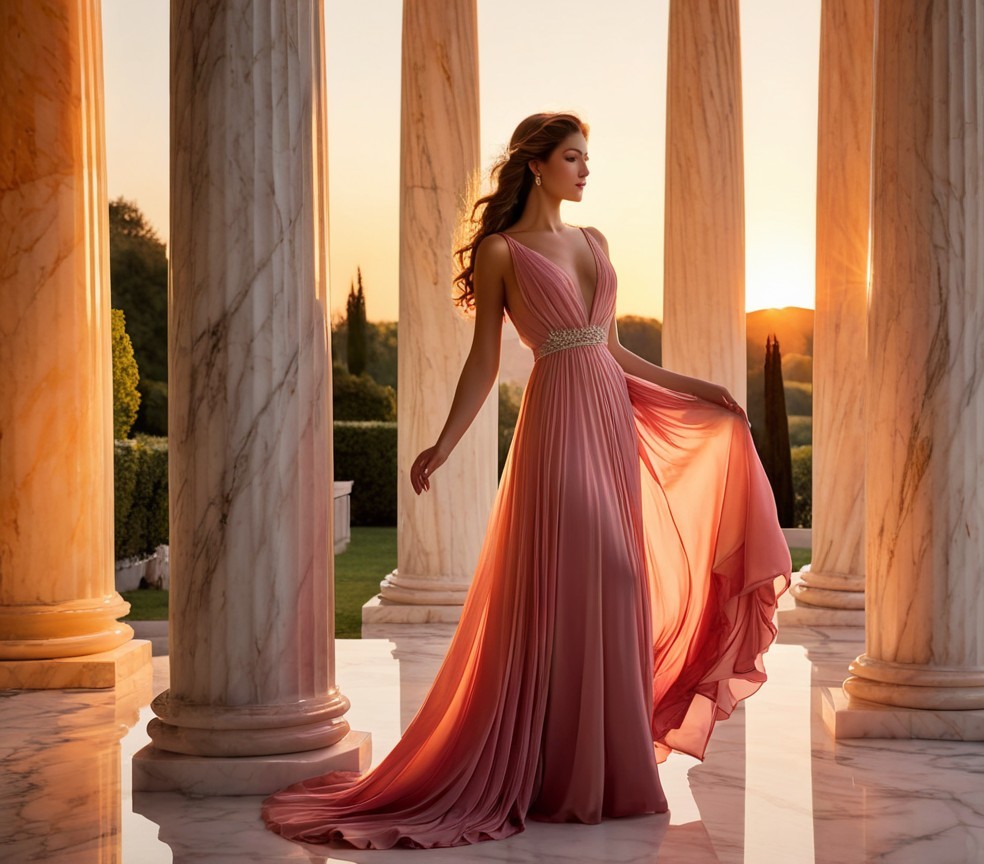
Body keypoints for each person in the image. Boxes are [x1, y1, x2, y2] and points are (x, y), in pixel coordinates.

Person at [261, 112, 792, 850]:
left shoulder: (595, 241)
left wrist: (702, 389)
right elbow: (485, 359)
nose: (585, 169)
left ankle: (603, 773)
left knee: (617, 584)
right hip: (557, 423)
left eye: (587, 158)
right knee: (597, 571)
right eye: (573, 157)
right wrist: (445, 442)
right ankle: (557, 772)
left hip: (608, 415)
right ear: (536, 165)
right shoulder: (500, 251)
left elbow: (614, 351)